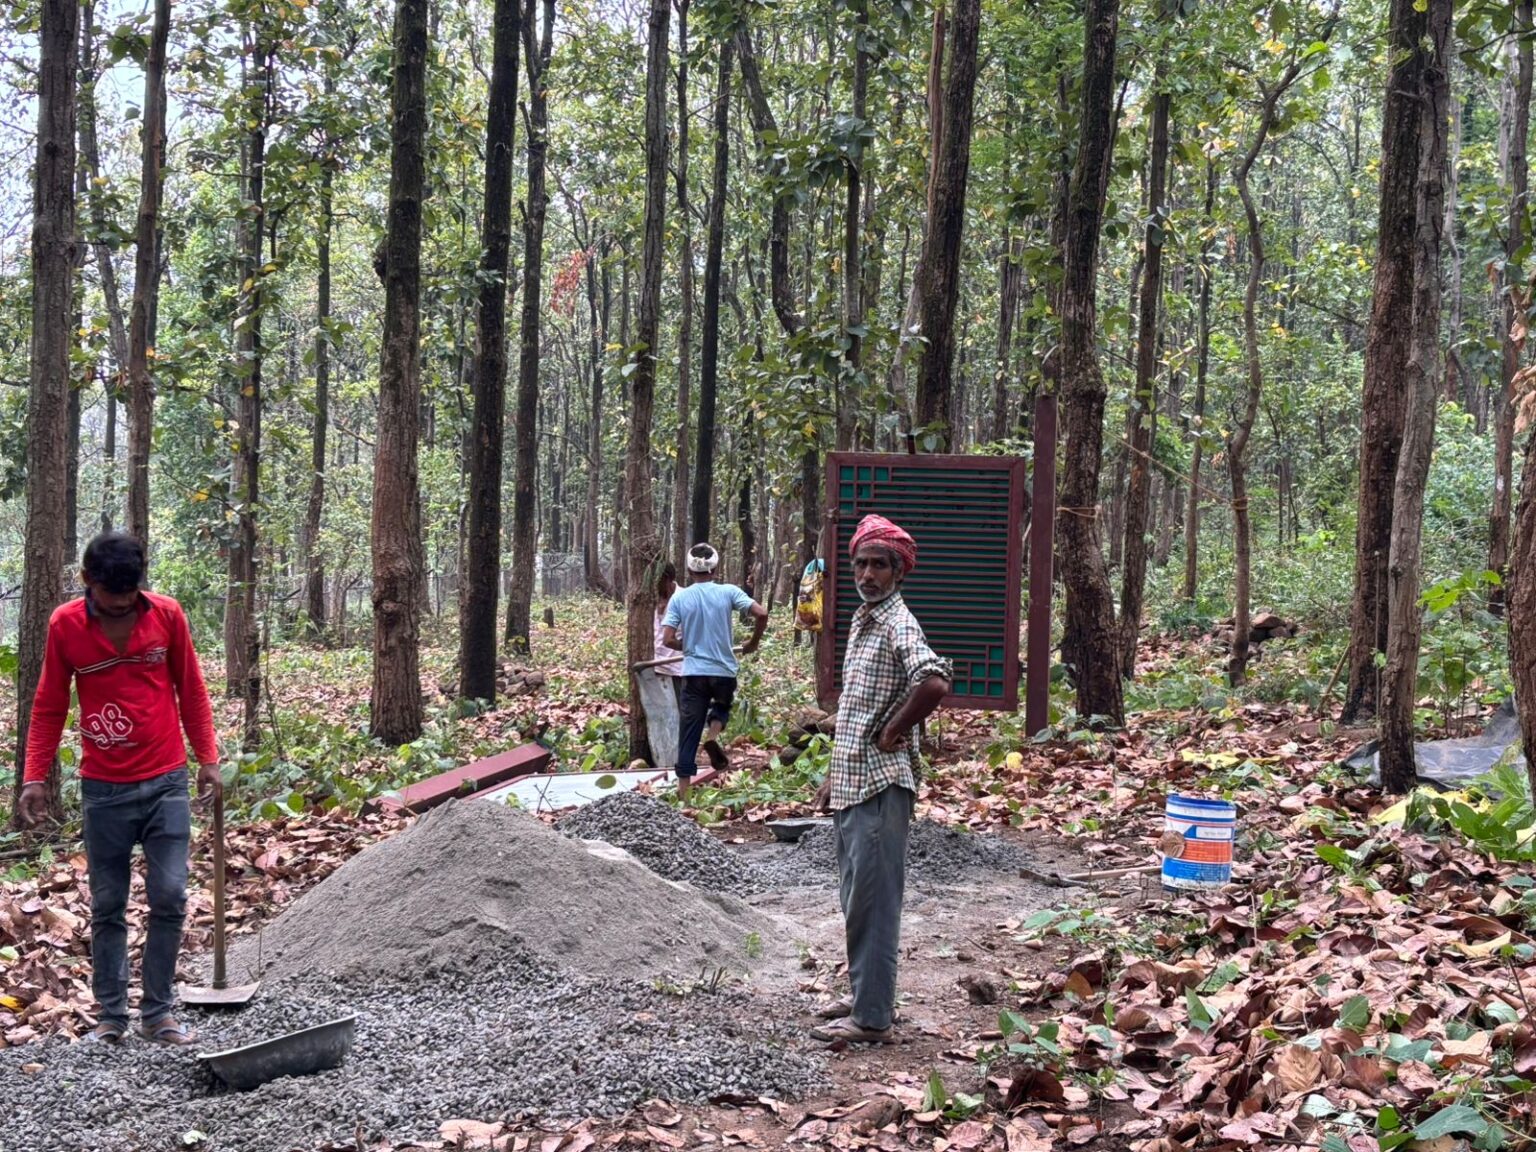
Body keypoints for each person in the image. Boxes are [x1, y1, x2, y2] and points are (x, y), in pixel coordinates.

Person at [17, 532, 222, 1046]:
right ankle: (111, 1016)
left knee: (171, 895)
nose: (121, 607)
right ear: (88, 582)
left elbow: (191, 689)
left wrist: (208, 759)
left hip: (166, 780)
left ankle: (159, 1013)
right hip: (104, 788)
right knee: (108, 905)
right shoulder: (65, 625)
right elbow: (48, 705)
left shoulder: (168, 615)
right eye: (111, 600)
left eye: (129, 598)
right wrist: (34, 776)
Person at [811, 515, 950, 1045]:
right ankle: (867, 995)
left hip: (880, 784)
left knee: (874, 900)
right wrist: (832, 775)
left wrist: (895, 730)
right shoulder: (866, 619)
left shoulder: (898, 622)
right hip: (852, 780)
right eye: (861, 563)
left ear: (898, 571)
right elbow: (854, 708)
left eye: (879, 565)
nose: (867, 573)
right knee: (857, 899)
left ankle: (872, 1019)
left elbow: (933, 681)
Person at [661, 543, 769, 800]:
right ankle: (713, 735)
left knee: (688, 730)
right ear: (716, 568)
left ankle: (684, 794)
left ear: (689, 569)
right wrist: (753, 642)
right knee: (721, 708)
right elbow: (762, 613)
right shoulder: (728, 592)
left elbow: (667, 639)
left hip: (694, 672)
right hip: (723, 670)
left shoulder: (680, 598)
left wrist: (685, 645)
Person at [653, 563, 685, 707]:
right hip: (654, 665)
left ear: (666, 579)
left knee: (681, 711)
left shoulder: (684, 598)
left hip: (677, 668)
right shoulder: (648, 599)